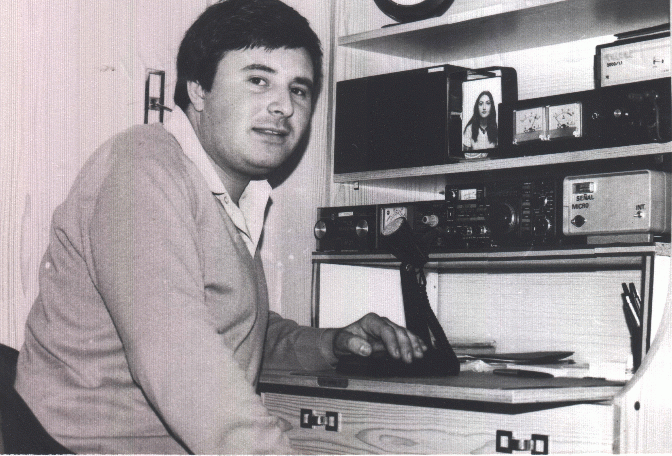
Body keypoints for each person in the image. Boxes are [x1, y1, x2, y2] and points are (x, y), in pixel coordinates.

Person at [13, 0, 427, 454]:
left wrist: (331, 344)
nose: (284, 106)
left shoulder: (233, 195)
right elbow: (180, 359)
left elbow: (235, 332)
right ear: (198, 89)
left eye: (299, 89)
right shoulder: (141, 169)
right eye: (258, 80)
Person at [462, 90, 498, 159]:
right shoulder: (469, 129)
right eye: (481, 104)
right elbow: (465, 157)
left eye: (487, 103)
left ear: (492, 107)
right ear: (477, 107)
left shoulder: (496, 129)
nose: (484, 108)